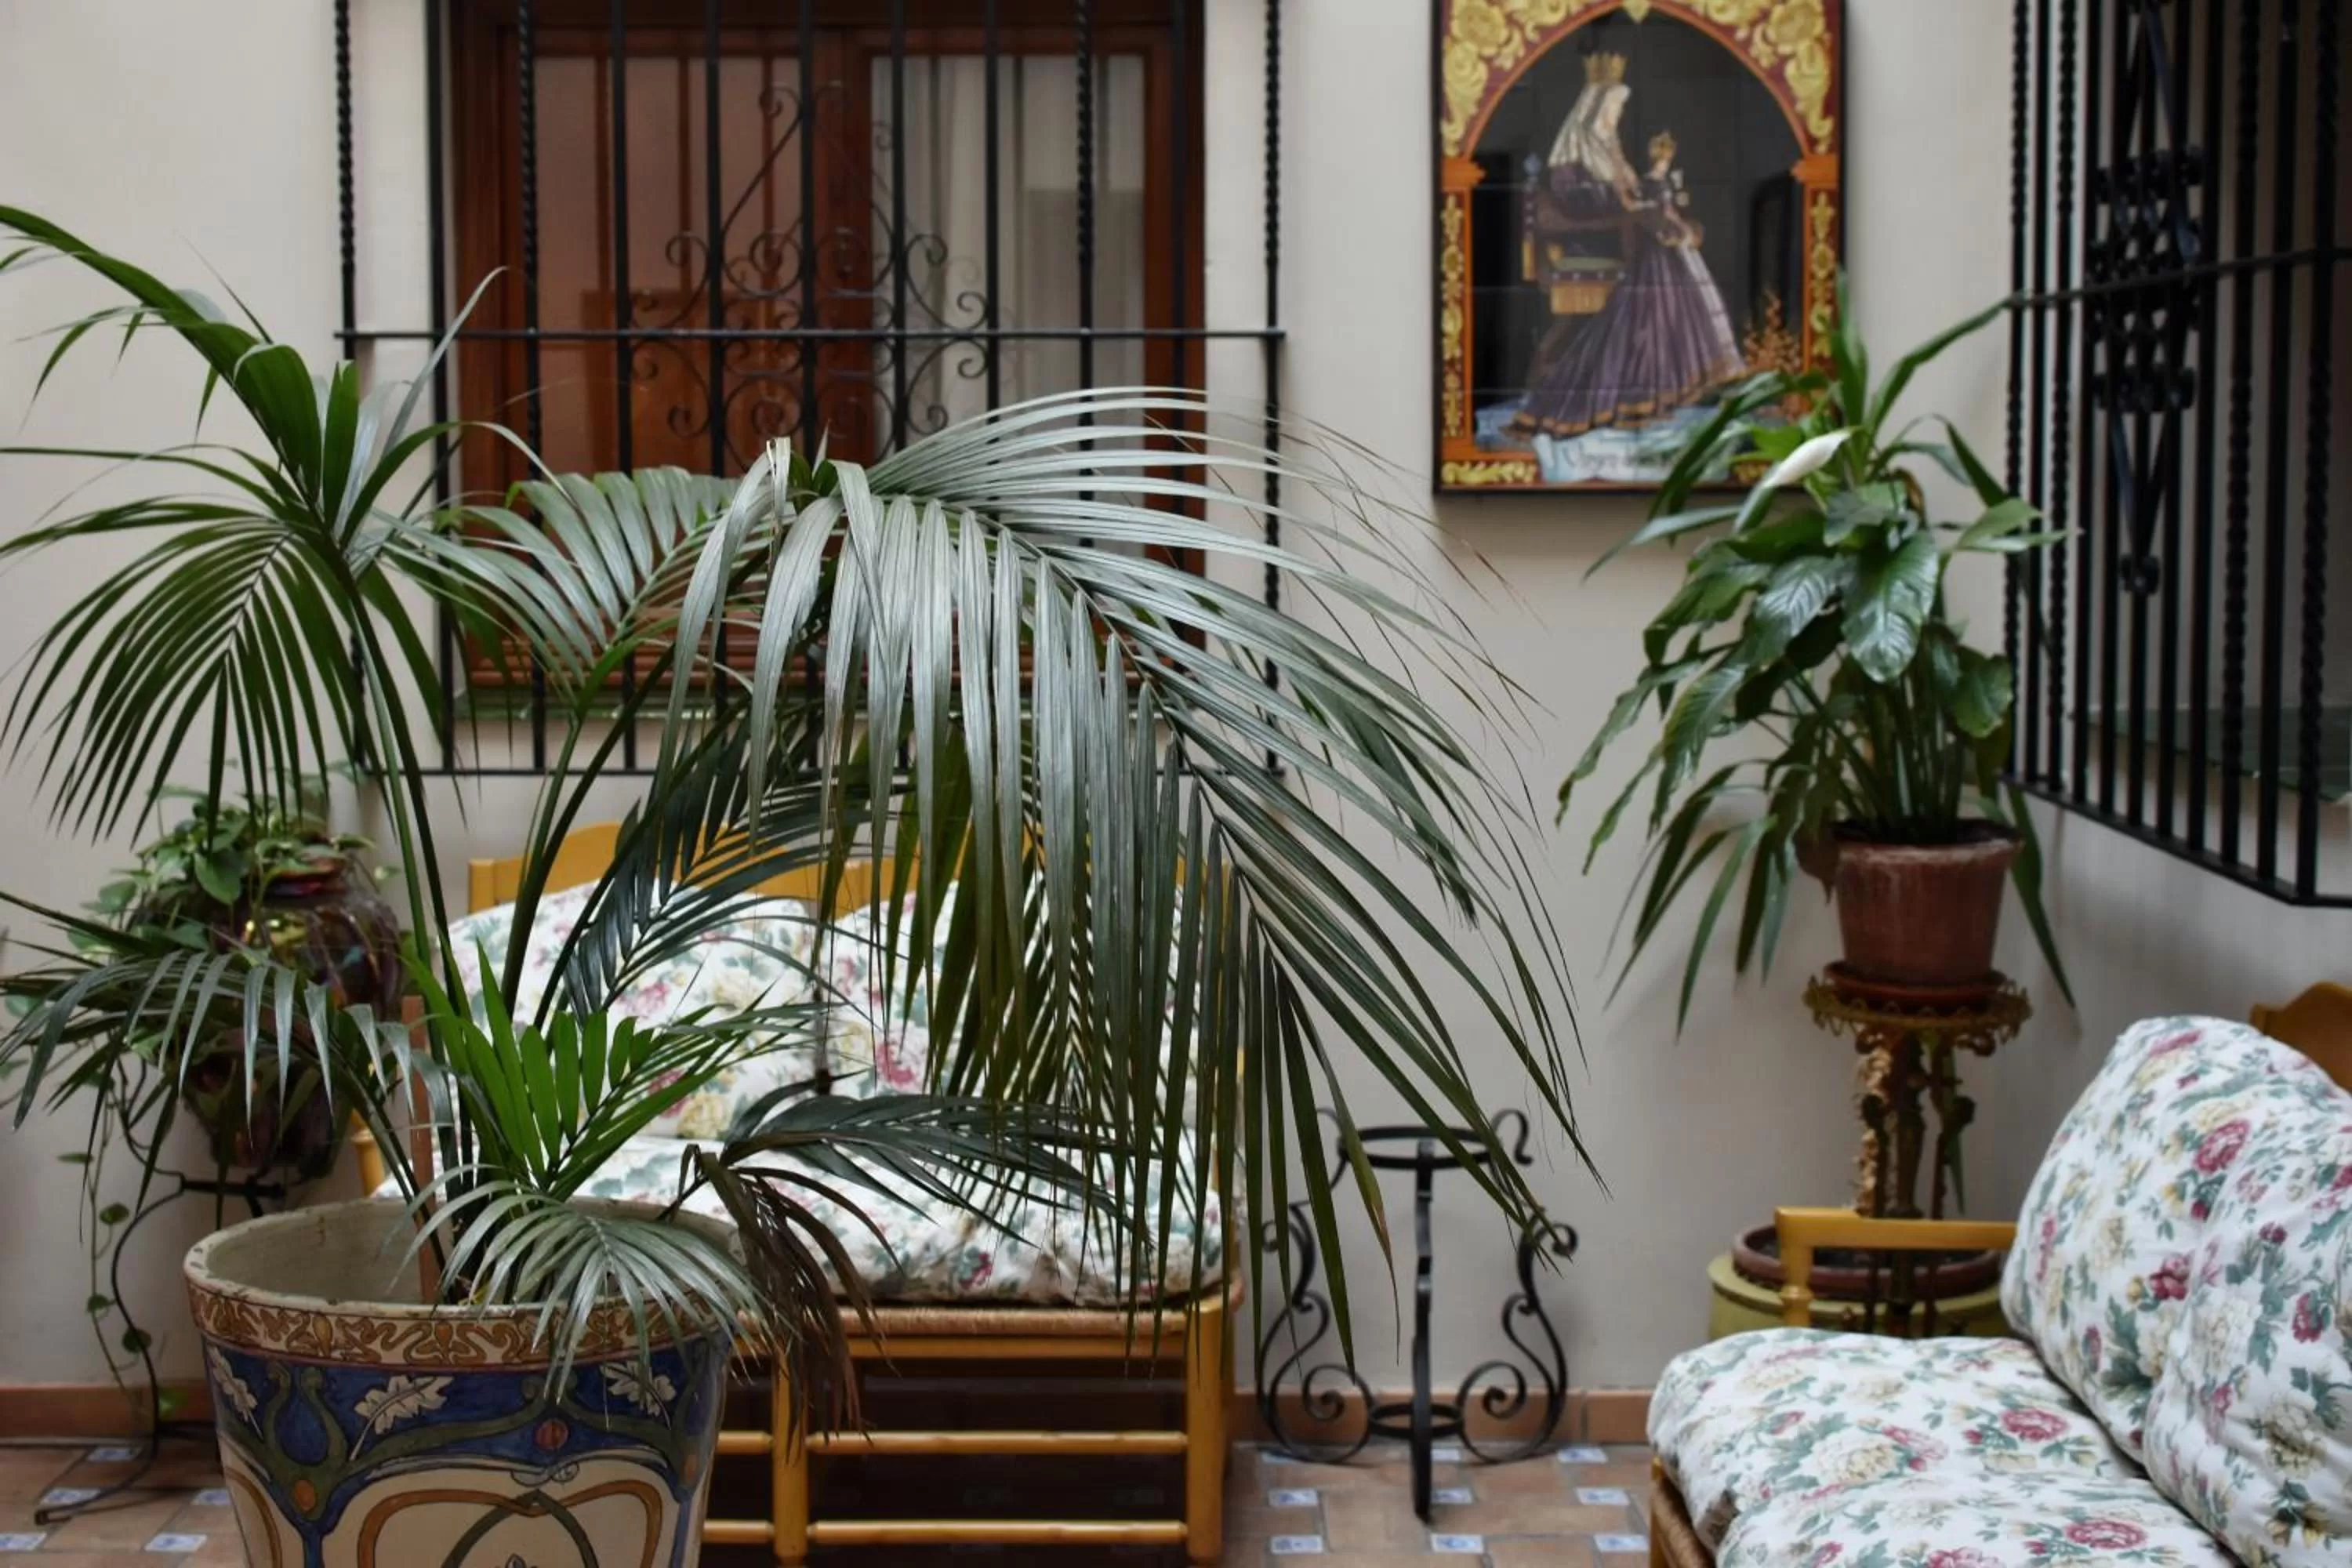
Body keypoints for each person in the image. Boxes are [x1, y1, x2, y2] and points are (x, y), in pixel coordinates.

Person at [1512, 124, 1747, 439]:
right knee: (1648, 320)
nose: (1663, 158)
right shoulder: (1642, 180)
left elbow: (1661, 213)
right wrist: (1670, 228)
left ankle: (1670, 392)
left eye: (1666, 155)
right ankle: (1643, 396)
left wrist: (1678, 229)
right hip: (1654, 251)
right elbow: (1647, 213)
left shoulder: (1650, 179)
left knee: (1674, 313)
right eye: (1661, 154)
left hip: (1664, 249)